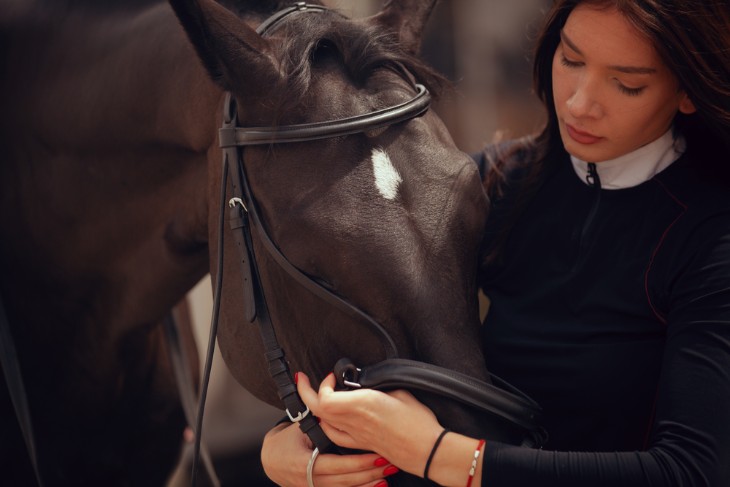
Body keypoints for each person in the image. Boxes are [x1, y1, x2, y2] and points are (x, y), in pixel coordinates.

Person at [260, 0, 730, 485]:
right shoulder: (501, 183)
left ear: (689, 91)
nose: (579, 103)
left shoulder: (711, 236)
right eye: (570, 60)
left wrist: (438, 454)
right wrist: (288, 441)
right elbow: (376, 328)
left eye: (627, 84)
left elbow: (692, 472)